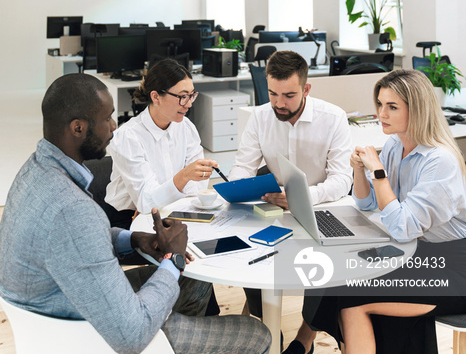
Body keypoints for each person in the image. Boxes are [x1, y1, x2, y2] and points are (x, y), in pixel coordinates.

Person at [0, 73, 271, 354]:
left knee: (195, 280)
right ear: (78, 128)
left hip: (63, 305)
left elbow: (72, 240)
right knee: (258, 334)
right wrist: (173, 259)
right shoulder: (73, 208)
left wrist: (133, 239)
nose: (113, 127)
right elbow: (132, 334)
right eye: (107, 118)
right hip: (91, 334)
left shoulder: (34, 171)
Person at [308, 68, 466, 354]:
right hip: (417, 251)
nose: (382, 113)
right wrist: (358, 169)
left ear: (417, 109)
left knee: (351, 300)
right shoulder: (395, 144)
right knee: (337, 280)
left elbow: (402, 226)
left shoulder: (439, 160)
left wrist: (378, 171)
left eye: (392, 107)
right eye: (380, 104)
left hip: (454, 265)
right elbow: (367, 203)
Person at [230, 50, 352, 354]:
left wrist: (301, 197)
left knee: (331, 262)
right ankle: (264, 327)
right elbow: (243, 166)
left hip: (323, 206)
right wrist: (236, 187)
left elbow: (341, 180)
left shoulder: (333, 118)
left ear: (306, 89)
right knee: (247, 247)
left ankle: (305, 339)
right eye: (272, 92)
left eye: (288, 95)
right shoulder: (260, 117)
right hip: (275, 207)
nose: (278, 103)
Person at [106, 58, 218, 214]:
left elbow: (196, 187)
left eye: (191, 95)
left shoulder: (185, 127)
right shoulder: (129, 136)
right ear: (156, 96)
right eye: (182, 96)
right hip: (128, 215)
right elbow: (146, 202)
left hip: (173, 209)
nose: (189, 104)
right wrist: (184, 175)